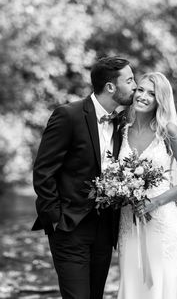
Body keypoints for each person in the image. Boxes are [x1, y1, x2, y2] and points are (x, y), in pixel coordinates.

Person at [32, 56, 137, 299]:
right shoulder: (68, 115)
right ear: (111, 87)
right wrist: (56, 218)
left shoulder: (122, 123)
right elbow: (43, 170)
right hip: (69, 227)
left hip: (105, 230)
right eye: (129, 80)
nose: (134, 86)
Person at [117, 72, 177, 299]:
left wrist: (155, 201)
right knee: (133, 285)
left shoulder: (168, 131)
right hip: (129, 221)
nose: (142, 96)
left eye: (151, 94)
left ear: (160, 100)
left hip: (162, 221)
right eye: (140, 90)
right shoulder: (122, 130)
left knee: (161, 287)